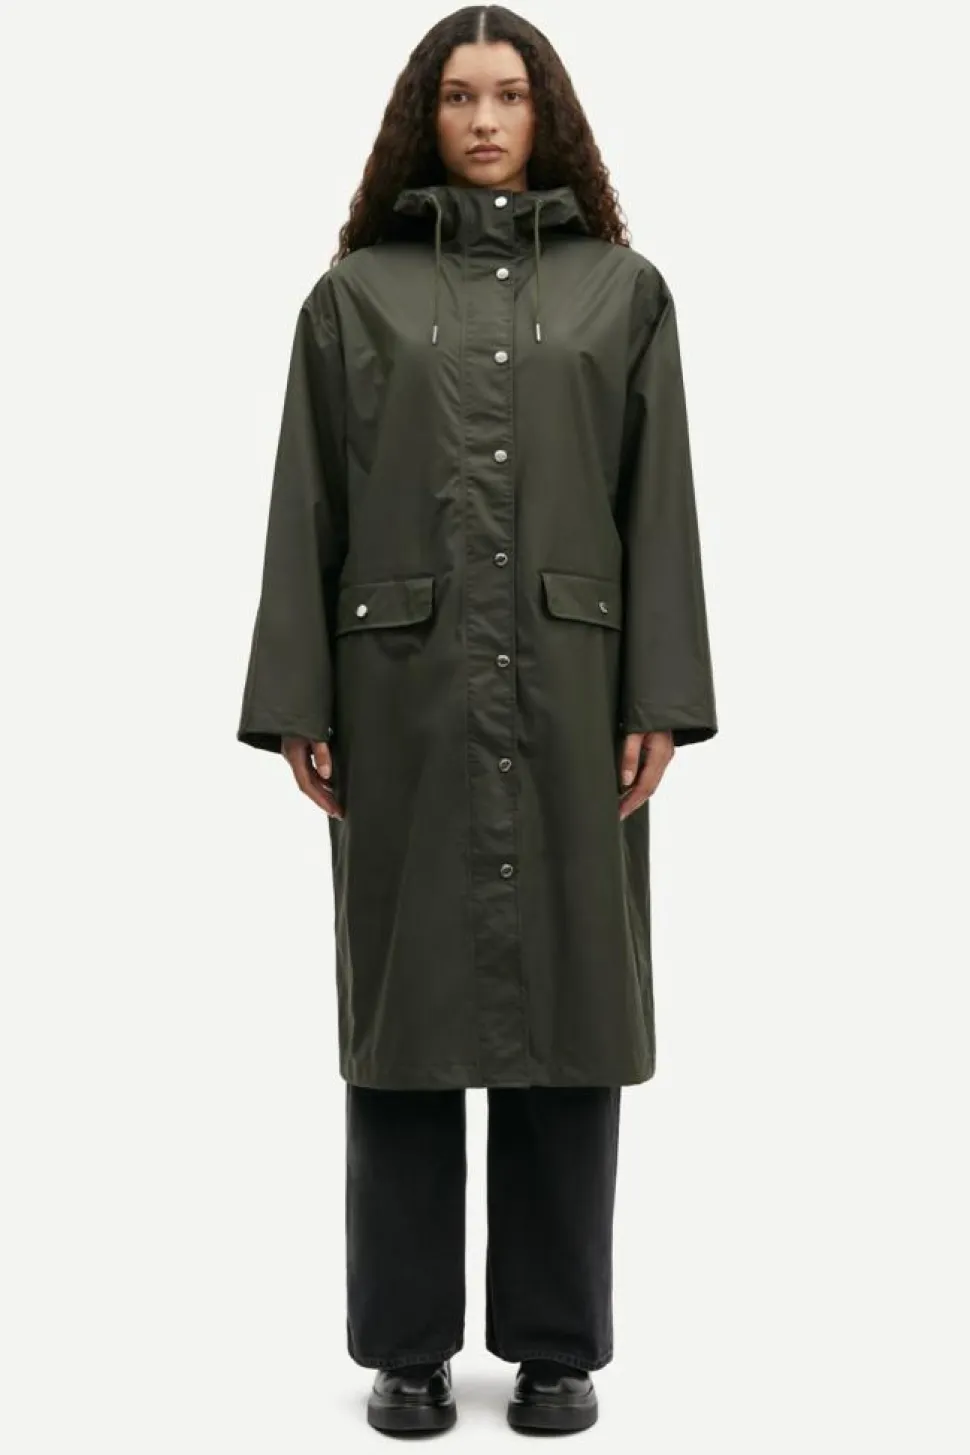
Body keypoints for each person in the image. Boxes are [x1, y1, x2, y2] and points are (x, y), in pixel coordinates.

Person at [236, 4, 718, 1437]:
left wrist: (660, 697)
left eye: (510, 94)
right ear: (423, 117)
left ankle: (556, 1346)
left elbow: (659, 506)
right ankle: (406, 1346)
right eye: (460, 96)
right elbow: (305, 502)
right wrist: (298, 701)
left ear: (546, 111)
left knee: (570, 1007)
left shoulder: (621, 293)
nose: (487, 119)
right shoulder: (354, 298)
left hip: (573, 697)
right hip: (403, 695)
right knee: (402, 1020)